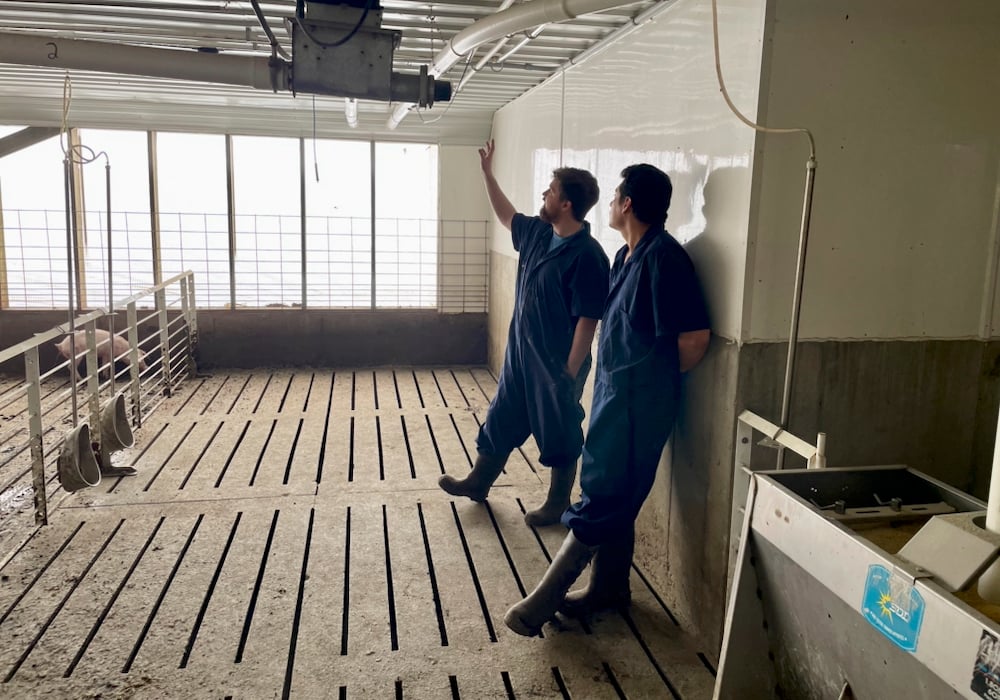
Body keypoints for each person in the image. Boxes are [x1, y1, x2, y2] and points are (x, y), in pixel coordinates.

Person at [504, 163, 711, 636]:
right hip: (614, 398)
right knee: (614, 494)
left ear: (628, 204)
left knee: (602, 496)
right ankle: (610, 590)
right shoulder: (625, 258)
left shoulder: (665, 259)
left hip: (638, 405)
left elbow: (694, 339)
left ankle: (542, 601)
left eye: (617, 195)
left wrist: (648, 384)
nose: (612, 203)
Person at [438, 140, 610, 527]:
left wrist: (569, 371)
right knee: (502, 416)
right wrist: (487, 174)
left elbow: (588, 321)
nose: (544, 196)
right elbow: (506, 215)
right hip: (521, 355)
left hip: (556, 364)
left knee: (560, 429)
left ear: (566, 204)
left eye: (550, 192)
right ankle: (478, 481)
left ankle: (557, 502)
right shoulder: (536, 233)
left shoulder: (588, 256)